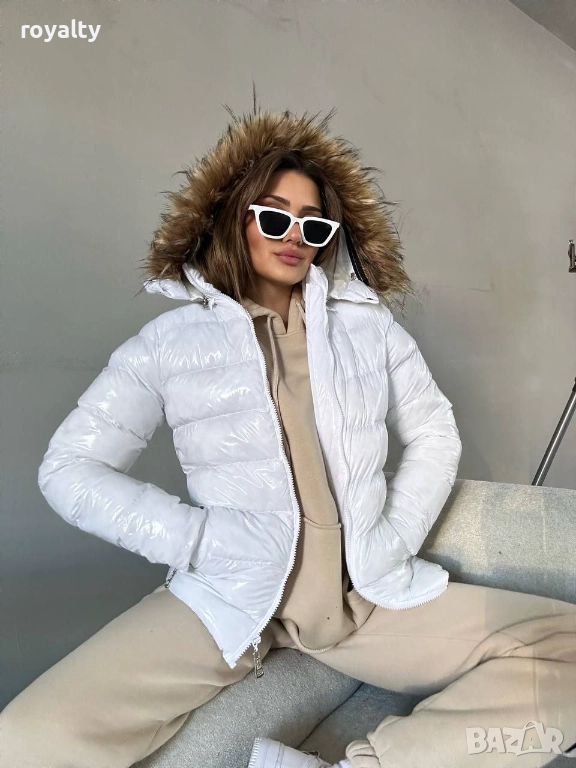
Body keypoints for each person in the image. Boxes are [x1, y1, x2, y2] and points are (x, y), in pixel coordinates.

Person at [2, 98, 575, 768]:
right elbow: (68, 469)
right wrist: (200, 541)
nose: (295, 236)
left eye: (314, 223)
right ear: (232, 219)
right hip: (228, 595)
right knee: (26, 737)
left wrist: (393, 537)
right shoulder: (168, 342)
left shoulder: (369, 329)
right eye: (274, 216)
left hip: (357, 599)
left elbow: (434, 431)